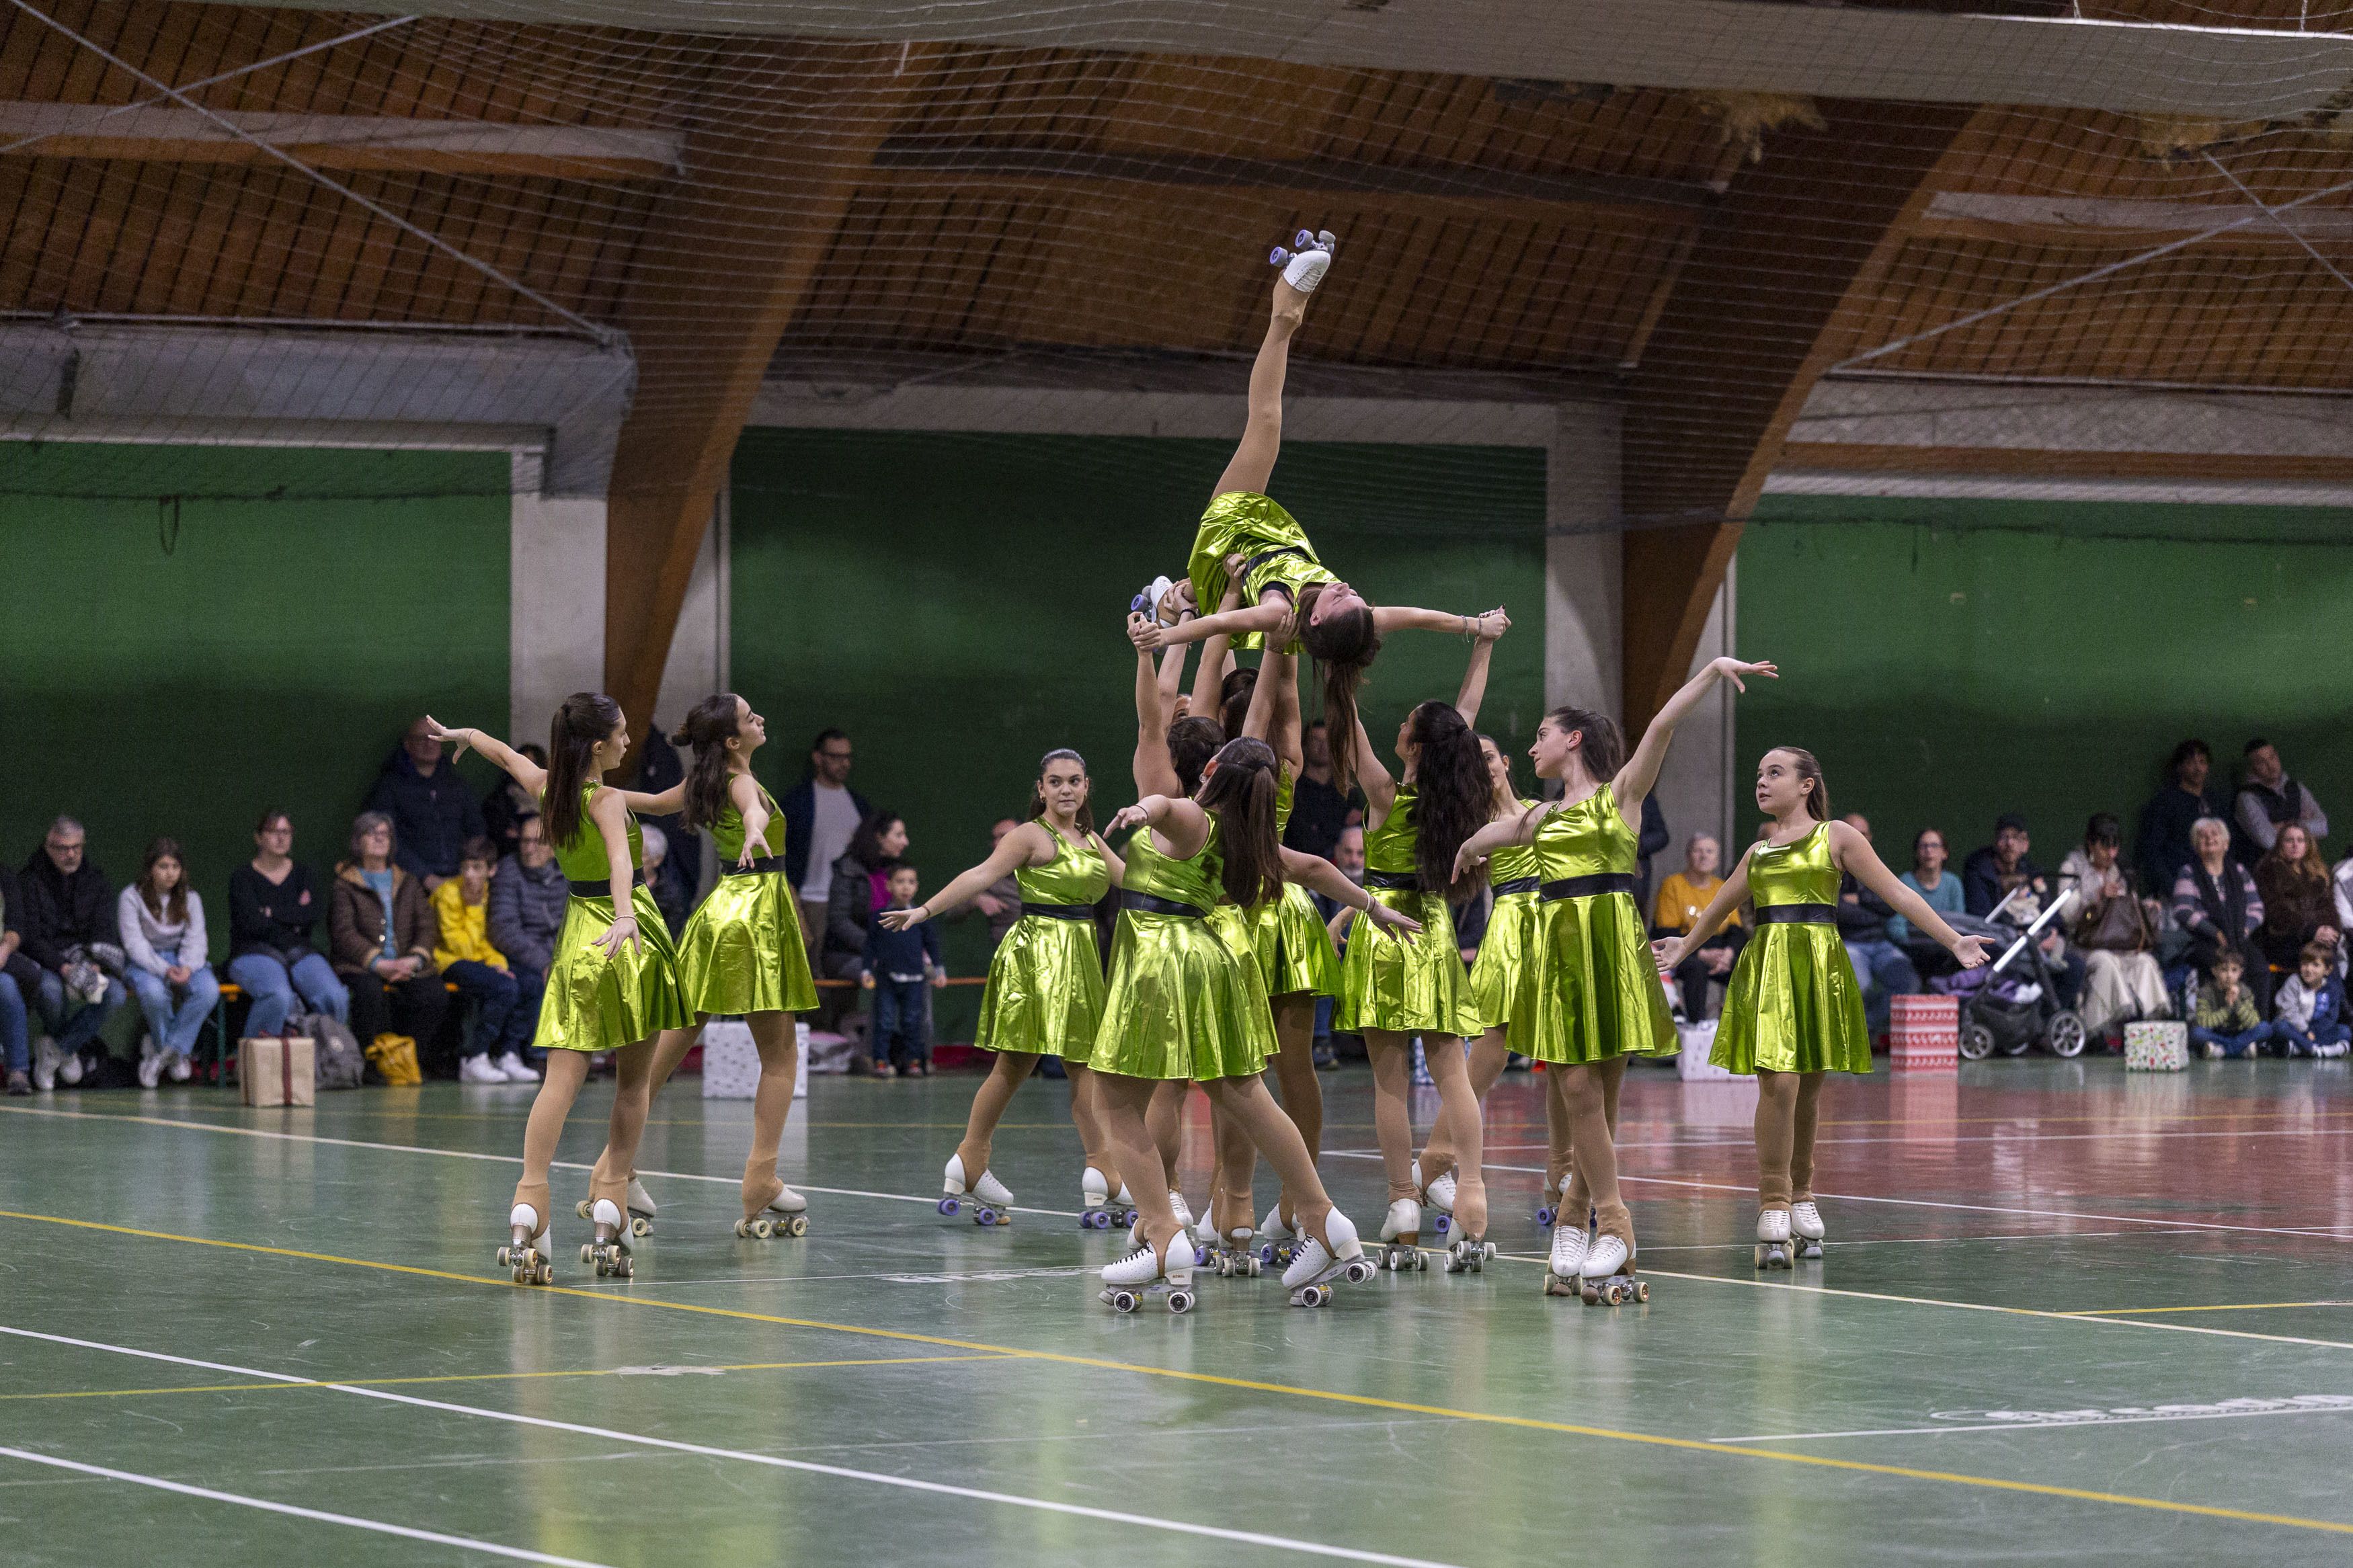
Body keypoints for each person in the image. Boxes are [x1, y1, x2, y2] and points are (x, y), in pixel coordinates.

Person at [1126, 241, 1513, 801]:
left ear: (1318, 619)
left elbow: (1214, 631)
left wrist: (1161, 639)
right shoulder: (1349, 618)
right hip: (1275, 536)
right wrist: (1471, 626)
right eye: (1356, 595)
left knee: (1265, 423)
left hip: (1231, 544)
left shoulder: (1281, 609)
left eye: (1342, 598)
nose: (1348, 587)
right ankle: (1170, 595)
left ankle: (1285, 311)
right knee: (1267, 428)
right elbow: (1412, 616)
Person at [1455, 656, 1774, 1301]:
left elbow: (1659, 725)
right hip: (1560, 956)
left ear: (1572, 739)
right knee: (1577, 1092)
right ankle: (1595, 1221)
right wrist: (1465, 850)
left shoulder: (1620, 794)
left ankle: (1593, 1222)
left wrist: (1712, 670)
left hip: (1610, 948)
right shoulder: (1541, 818)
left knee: (1596, 1098)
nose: (1532, 744)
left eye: (1542, 733)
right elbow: (1492, 834)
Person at [1090, 731, 1410, 1312]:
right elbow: (1312, 867)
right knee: (1247, 1095)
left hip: (1161, 961)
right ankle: (1325, 1220)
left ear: (1212, 768)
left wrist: (1145, 807)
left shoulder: (1194, 816)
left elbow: (1166, 804)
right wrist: (1373, 905)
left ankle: (1162, 1234)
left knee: (1111, 1102)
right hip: (1210, 962)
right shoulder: (1247, 836)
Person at [1659, 747, 1988, 1269]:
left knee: (1809, 1084)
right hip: (1769, 965)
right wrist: (1682, 946)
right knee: (1778, 1081)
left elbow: (1899, 894)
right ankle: (1773, 1198)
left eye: (1774, 773)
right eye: (1758, 774)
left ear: (1807, 784)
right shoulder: (1759, 848)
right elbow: (1720, 905)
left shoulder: (1837, 837)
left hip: (1818, 965)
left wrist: (1953, 941)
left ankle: (1804, 1190)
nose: (1762, 782)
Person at [423, 697, 690, 1283]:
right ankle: (610, 1199)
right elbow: (623, 859)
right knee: (632, 1082)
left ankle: (528, 1205)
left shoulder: (551, 787)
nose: (628, 741)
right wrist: (625, 915)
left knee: (559, 1081)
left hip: (576, 941)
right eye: (621, 734)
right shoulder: (609, 800)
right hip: (625, 937)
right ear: (597, 745)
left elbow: (503, 755)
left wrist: (466, 731)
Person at [1327, 618, 1507, 1266]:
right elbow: (1463, 716)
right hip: (1431, 931)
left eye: (1405, 721)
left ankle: (1404, 1197)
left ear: (1410, 742)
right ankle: (1474, 1189)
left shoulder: (1384, 790)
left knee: (1388, 1080)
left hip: (1382, 929)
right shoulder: (1457, 793)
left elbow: (1347, 728)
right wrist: (1483, 644)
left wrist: (1339, 672)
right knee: (1452, 1071)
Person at [884, 749, 1125, 1218]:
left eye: (1074, 780)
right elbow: (981, 875)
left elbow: (1137, 881)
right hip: (1035, 954)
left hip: (1079, 956)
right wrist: (923, 910)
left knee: (1078, 1065)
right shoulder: (1030, 835)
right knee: (1018, 1064)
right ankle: (985, 1158)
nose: (1066, 790)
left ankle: (987, 1163)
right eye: (1055, 782)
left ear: (1087, 785)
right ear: (1041, 789)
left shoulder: (1093, 839)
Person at [623, 693, 820, 1241]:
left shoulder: (701, 784)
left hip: (719, 914)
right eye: (749, 716)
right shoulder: (739, 781)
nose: (760, 717)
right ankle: (761, 1178)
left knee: (664, 1053)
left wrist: (587, 791)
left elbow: (650, 803)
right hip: (755, 916)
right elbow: (751, 804)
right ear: (732, 741)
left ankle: (611, 1173)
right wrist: (757, 821)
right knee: (780, 1056)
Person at [1415, 732, 1552, 1230]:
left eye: (1490, 757)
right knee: (1492, 1050)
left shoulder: (1539, 809)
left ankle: (1560, 1176)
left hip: (1553, 923)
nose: (1486, 766)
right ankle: (1435, 1158)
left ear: (1506, 761)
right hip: (1513, 925)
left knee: (1556, 1054)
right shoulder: (1476, 824)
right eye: (1475, 762)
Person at [329, 811, 450, 1061]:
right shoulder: (345, 884)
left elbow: (427, 926)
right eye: (371, 833)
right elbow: (344, 932)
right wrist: (378, 963)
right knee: (370, 994)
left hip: (407, 963)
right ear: (358, 841)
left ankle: (409, 1059)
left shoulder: (408, 881)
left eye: (384, 833)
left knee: (434, 995)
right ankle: (371, 1064)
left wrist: (415, 959)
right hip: (361, 966)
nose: (379, 838)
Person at [19, 817, 127, 1091]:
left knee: (116, 993)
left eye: (76, 848)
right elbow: (31, 938)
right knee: (51, 992)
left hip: (87, 960)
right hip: (46, 962)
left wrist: (95, 965)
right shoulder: (29, 880)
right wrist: (64, 967)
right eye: (63, 848)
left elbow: (105, 930)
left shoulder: (97, 880)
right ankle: (67, 1049)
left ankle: (57, 1049)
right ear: (48, 847)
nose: (70, 854)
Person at [227, 811, 350, 1040]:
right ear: (258, 838)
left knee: (335, 996)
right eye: (273, 832)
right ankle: (259, 1065)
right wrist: (293, 918)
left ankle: (327, 1060)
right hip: (254, 952)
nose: (281, 838)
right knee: (278, 995)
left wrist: (271, 912)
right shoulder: (243, 877)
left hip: (300, 951)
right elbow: (253, 924)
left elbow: (311, 915)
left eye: (286, 832)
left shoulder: (304, 874)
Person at [432, 837, 539, 1084]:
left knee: (530, 983)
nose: (470, 875)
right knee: (504, 987)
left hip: (482, 961)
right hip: (449, 961)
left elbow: (489, 941)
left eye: (477, 868)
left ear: (491, 870)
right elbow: (458, 945)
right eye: (465, 868)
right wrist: (471, 906)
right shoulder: (448, 894)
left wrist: (497, 963)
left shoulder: (492, 895)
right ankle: (474, 1056)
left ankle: (508, 1053)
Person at [116, 837, 219, 1087]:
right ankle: (174, 1055)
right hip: (146, 962)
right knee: (153, 994)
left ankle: (161, 1054)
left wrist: (187, 966)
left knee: (208, 991)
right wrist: (164, 969)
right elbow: (134, 945)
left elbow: (196, 939)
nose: (170, 873)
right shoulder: (131, 897)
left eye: (175, 866)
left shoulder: (190, 898)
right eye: (163, 866)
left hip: (184, 960)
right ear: (150, 869)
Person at [2057, 814, 2168, 1037]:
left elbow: (2125, 912)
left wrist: (2145, 907)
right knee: (2106, 962)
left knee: (2145, 961)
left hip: (2118, 943)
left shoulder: (2118, 872)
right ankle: (2099, 1032)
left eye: (2115, 847)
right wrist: (2096, 897)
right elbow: (2066, 914)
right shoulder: (2072, 867)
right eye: (2104, 847)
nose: (2111, 854)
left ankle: (2146, 1028)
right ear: (2091, 843)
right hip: (2083, 945)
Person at [366, 716, 487, 889]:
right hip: (411, 883)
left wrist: (470, 870)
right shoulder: (390, 787)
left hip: (462, 879)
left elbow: (477, 830)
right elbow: (389, 839)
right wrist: (425, 877)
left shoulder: (457, 785)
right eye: (421, 738)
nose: (429, 744)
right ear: (408, 744)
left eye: (435, 738)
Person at [783, 728, 869, 962]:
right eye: (836, 757)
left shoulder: (859, 805)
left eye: (848, 757)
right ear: (818, 758)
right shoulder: (797, 803)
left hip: (850, 907)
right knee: (811, 974)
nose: (844, 764)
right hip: (811, 902)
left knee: (848, 977)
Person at [487, 814, 564, 1067]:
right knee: (536, 982)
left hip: (556, 952)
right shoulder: (508, 871)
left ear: (554, 847)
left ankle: (576, 1054)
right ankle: (533, 1055)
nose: (529, 849)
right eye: (525, 841)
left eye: (538, 842)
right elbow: (503, 930)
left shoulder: (567, 873)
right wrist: (544, 961)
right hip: (519, 954)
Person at [2173, 817, 2270, 1014]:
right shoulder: (2189, 872)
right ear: (2195, 846)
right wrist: (2214, 932)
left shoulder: (2240, 871)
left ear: (2226, 844)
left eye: (2215, 834)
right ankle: (2219, 1025)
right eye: (2202, 836)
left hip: (2239, 937)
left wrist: (2245, 929)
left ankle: (2257, 1027)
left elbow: (2257, 908)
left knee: (2259, 968)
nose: (2209, 838)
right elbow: (2183, 911)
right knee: (2222, 970)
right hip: (2205, 942)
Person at [1833, 813, 1918, 1036]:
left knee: (1907, 981)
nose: (1858, 839)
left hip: (1880, 942)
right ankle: (1855, 1035)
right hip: (1848, 943)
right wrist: (1874, 909)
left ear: (1870, 837)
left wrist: (1860, 901)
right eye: (1852, 833)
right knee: (1860, 987)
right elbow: (1839, 913)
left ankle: (1868, 1028)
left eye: (1863, 834)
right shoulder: (1830, 869)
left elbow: (1891, 906)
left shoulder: (1876, 867)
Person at [862, 866, 944, 1077]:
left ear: (917, 887)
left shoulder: (922, 917)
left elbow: (932, 945)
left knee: (912, 1021)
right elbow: (870, 946)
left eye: (911, 881)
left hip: (915, 980)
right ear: (888, 885)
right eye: (900, 881)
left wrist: (939, 969)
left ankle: (914, 1062)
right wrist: (866, 970)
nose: (905, 886)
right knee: (885, 1021)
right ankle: (881, 1061)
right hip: (887, 978)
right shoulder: (879, 916)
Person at [1653, 833, 1745, 1023]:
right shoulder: (1673, 885)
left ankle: (1742, 1024)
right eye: (1698, 850)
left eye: (1710, 852)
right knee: (1696, 968)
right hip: (1684, 948)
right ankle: (1697, 1025)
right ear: (1688, 856)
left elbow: (1736, 931)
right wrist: (1702, 954)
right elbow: (1665, 932)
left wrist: (1727, 954)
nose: (1704, 856)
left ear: (1717, 859)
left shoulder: (1723, 886)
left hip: (1719, 949)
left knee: (1746, 967)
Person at [822, 810, 907, 1005]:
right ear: (879, 837)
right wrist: (874, 947)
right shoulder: (848, 869)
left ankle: (917, 1034)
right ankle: (878, 1035)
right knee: (887, 973)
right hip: (844, 955)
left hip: (884, 952)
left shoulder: (895, 871)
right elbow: (839, 921)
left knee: (916, 971)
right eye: (899, 835)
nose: (905, 842)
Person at [2137, 740, 2230, 895]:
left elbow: (2228, 844)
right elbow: (2152, 851)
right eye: (2191, 763)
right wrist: (2172, 888)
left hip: (2215, 887)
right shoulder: (2165, 802)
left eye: (2202, 762)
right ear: (2180, 767)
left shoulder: (2215, 800)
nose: (2198, 768)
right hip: (2181, 886)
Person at [2251, 823, 2339, 980]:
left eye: (2301, 840)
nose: (2295, 845)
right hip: (2285, 940)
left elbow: (2329, 907)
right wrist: (2312, 931)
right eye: (2289, 840)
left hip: (2317, 939)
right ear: (2280, 845)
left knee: (2327, 954)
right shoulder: (2268, 871)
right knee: (2318, 957)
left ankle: (2332, 1003)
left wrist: (2330, 930)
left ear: (2307, 845)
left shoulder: (2317, 872)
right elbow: (2276, 913)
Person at [2235, 738, 2328, 864]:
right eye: (2262, 762)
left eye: (2272, 757)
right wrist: (2305, 828)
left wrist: (2284, 827)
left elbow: (2323, 827)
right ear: (2253, 768)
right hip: (2271, 872)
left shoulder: (2296, 788)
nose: (2271, 765)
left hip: (2306, 868)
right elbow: (2268, 841)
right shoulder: (2247, 798)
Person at [1282, 720, 1361, 862]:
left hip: (1340, 867)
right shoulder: (1294, 789)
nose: (1323, 747)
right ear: (1305, 745)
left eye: (1327, 741)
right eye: (1316, 740)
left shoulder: (1347, 791)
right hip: (1300, 864)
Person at [1888, 828, 1964, 953]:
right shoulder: (1905, 882)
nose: (1929, 850)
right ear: (1917, 853)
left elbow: (1959, 923)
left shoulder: (1953, 883)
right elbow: (1895, 926)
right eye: (1923, 846)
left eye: (1934, 845)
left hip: (1946, 951)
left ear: (1945, 853)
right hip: (1910, 951)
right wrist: (1918, 946)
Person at [1962, 813, 2052, 917]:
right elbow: (1981, 916)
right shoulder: (1978, 870)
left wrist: (2052, 928)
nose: (2010, 843)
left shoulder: (2032, 872)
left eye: (2016, 837)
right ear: (1996, 842)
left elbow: (2051, 912)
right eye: (2004, 837)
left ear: (2025, 845)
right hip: (1994, 931)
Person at [2190, 948, 2272, 1059]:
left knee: (2265, 1028)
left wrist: (2237, 1004)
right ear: (2215, 971)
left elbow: (2253, 1022)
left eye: (2234, 970)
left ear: (2240, 973)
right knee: (2197, 1033)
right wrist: (2228, 1009)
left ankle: (2221, 1051)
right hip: (2217, 1033)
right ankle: (2241, 1050)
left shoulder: (2245, 991)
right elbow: (2204, 1022)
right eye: (2224, 970)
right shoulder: (2205, 992)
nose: (2229, 975)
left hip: (2240, 1033)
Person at [2273, 942, 2348, 1059]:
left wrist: (2313, 1031)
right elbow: (2288, 1011)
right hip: (2297, 1029)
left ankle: (2299, 1049)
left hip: (2317, 1032)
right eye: (2305, 964)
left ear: (2327, 970)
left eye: (2316, 965)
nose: (2309, 969)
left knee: (2344, 1031)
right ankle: (2316, 1050)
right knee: (2280, 1026)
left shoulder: (2331, 989)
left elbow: (2330, 1017)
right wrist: (2306, 1031)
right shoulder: (2294, 982)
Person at [0, 866, 36, 1093]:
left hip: (2, 957)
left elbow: (15, 926)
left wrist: (4, 950)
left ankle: (18, 1072)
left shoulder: (6, 876)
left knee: (11, 985)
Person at [481, 743, 547, 862]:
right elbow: (496, 839)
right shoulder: (497, 802)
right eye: (522, 765)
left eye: (533, 765)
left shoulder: (554, 801)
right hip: (511, 863)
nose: (527, 770)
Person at [975, 818, 1025, 951]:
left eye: (1003, 837)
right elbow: (951, 913)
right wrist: (976, 899)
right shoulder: (989, 875)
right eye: (994, 838)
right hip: (1009, 957)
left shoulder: (1043, 868)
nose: (997, 843)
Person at [639, 824, 692, 937]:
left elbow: (674, 934)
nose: (632, 859)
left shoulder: (671, 895)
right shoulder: (618, 885)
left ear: (657, 860)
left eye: (641, 855)